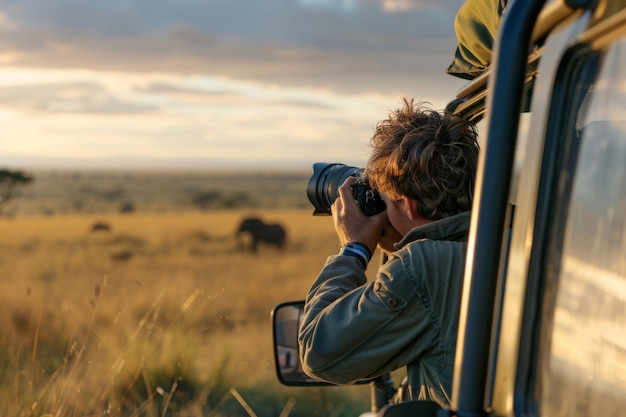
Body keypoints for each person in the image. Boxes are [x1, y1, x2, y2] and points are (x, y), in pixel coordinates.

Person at [298, 98, 480, 409]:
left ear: (408, 204)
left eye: (386, 200)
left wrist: (353, 248)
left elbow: (319, 354)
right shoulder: (519, 237)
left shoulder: (424, 267)